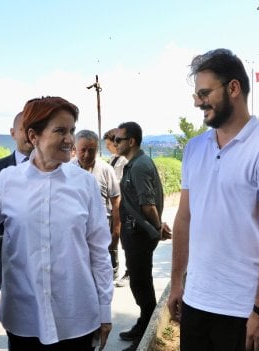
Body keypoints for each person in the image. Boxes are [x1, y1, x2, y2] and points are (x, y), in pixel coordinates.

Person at [166, 48, 259, 351]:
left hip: (245, 311)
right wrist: (176, 283)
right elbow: (184, 218)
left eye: (204, 93)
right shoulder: (194, 149)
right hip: (196, 305)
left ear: (234, 88)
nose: (197, 101)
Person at [0, 96, 113, 351]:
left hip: (77, 317)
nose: (70, 139)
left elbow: (99, 251)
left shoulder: (84, 183)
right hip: (24, 317)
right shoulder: (8, 180)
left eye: (71, 130)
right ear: (33, 136)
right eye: (60, 130)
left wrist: (104, 310)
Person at [114, 121, 171, 351]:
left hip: (139, 236)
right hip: (134, 235)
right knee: (140, 283)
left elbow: (147, 203)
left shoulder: (138, 166)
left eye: (119, 139)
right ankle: (143, 323)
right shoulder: (135, 163)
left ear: (131, 141)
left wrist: (158, 227)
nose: (115, 143)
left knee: (141, 284)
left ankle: (146, 333)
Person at [0, 111, 33, 286]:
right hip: (8, 259)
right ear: (13, 133)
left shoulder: (58, 170)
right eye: (24, 129)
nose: (29, 135)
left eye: (34, 129)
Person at [71, 129, 121, 280]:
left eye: (91, 150)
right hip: (76, 233)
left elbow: (116, 202)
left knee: (100, 275)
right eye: (82, 150)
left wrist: (116, 233)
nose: (86, 155)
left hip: (101, 230)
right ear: (75, 149)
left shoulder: (106, 170)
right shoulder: (68, 170)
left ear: (97, 150)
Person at [103, 128, 129, 287]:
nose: (107, 147)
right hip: (111, 207)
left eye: (109, 144)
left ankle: (128, 272)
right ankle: (114, 270)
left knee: (124, 240)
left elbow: (119, 184)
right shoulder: (113, 159)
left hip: (122, 206)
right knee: (112, 239)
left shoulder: (125, 161)